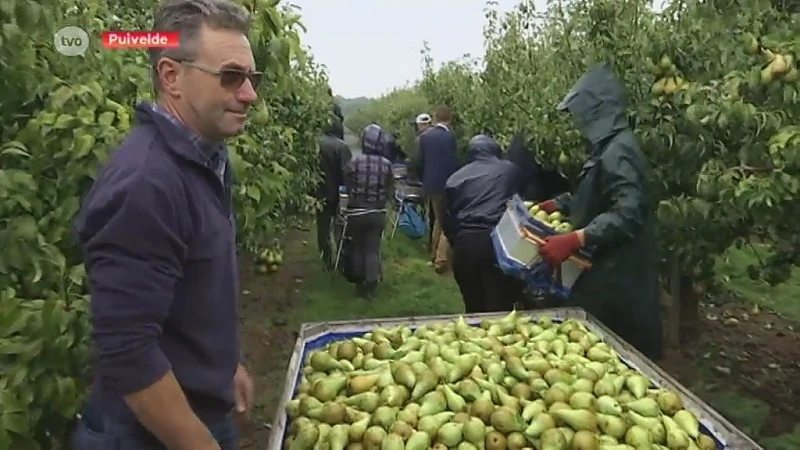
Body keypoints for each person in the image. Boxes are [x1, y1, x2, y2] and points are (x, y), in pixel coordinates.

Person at [70, 1, 257, 449]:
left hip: (196, 404)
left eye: (253, 78)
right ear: (172, 76)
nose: (249, 93)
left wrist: (223, 363)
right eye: (231, 76)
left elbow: (195, 284)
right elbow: (129, 352)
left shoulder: (207, 157)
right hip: (147, 433)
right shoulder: (147, 183)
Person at [535, 63, 663, 361]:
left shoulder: (620, 150)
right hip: (603, 274)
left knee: (618, 357)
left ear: (598, 110)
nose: (579, 122)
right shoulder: (607, 150)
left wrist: (576, 238)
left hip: (619, 279)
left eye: (582, 114)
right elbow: (597, 196)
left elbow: (628, 212)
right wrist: (562, 204)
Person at [443, 135, 526, 313]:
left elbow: (446, 220)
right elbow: (522, 204)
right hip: (499, 245)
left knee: (473, 308)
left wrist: (457, 241)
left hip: (465, 246)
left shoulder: (454, 179)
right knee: (500, 308)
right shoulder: (510, 170)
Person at [343, 124, 393, 299]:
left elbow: (348, 184)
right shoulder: (386, 165)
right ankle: (371, 285)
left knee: (358, 247)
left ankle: (359, 284)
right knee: (372, 249)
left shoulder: (354, 161)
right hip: (376, 212)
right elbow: (389, 190)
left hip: (356, 211)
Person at [418, 105, 459, 273]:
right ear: (449, 119)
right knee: (445, 222)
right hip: (446, 184)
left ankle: (434, 255)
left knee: (437, 221)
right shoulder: (450, 137)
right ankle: (441, 261)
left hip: (430, 184)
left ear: (435, 118)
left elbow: (420, 162)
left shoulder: (425, 137)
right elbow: (453, 162)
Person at [316, 113, 352, 269]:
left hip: (318, 192)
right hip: (337, 194)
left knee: (322, 228)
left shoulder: (316, 143)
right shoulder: (341, 146)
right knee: (340, 225)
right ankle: (342, 258)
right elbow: (347, 172)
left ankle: (326, 259)